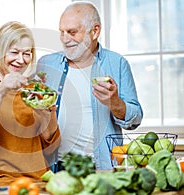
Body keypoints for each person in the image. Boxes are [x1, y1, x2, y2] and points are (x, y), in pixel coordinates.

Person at [37, 2, 143, 170]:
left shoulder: (117, 63)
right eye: (62, 32)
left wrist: (114, 102)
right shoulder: (46, 64)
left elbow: (135, 119)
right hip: (55, 168)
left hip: (100, 168)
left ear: (95, 31)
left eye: (72, 32)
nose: (65, 39)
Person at [0, 21, 60, 188]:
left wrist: (47, 115)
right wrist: (0, 92)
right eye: (14, 52)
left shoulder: (36, 91)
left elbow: (51, 149)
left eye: (27, 54)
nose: (21, 60)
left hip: (38, 181)